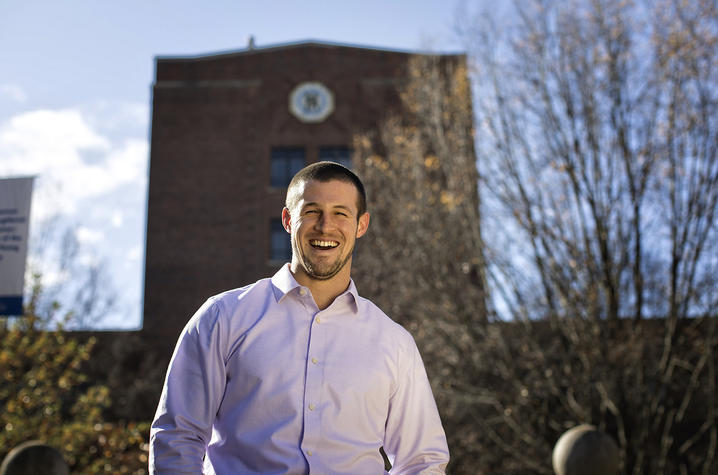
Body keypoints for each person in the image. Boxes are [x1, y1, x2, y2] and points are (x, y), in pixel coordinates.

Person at [149, 161, 449, 474]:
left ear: (361, 225)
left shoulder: (394, 342)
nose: (325, 226)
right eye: (311, 211)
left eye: (341, 213)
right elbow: (177, 438)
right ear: (288, 219)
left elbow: (422, 461)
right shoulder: (223, 317)